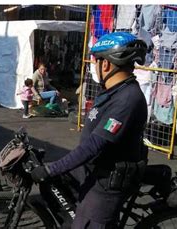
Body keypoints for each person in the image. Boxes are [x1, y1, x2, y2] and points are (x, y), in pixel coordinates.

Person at [30, 32, 149, 228]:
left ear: (106, 64)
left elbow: (94, 145)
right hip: (93, 169)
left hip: (107, 182)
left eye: (96, 61)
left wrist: (51, 168)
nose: (95, 66)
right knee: (54, 186)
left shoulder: (128, 99)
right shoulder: (113, 91)